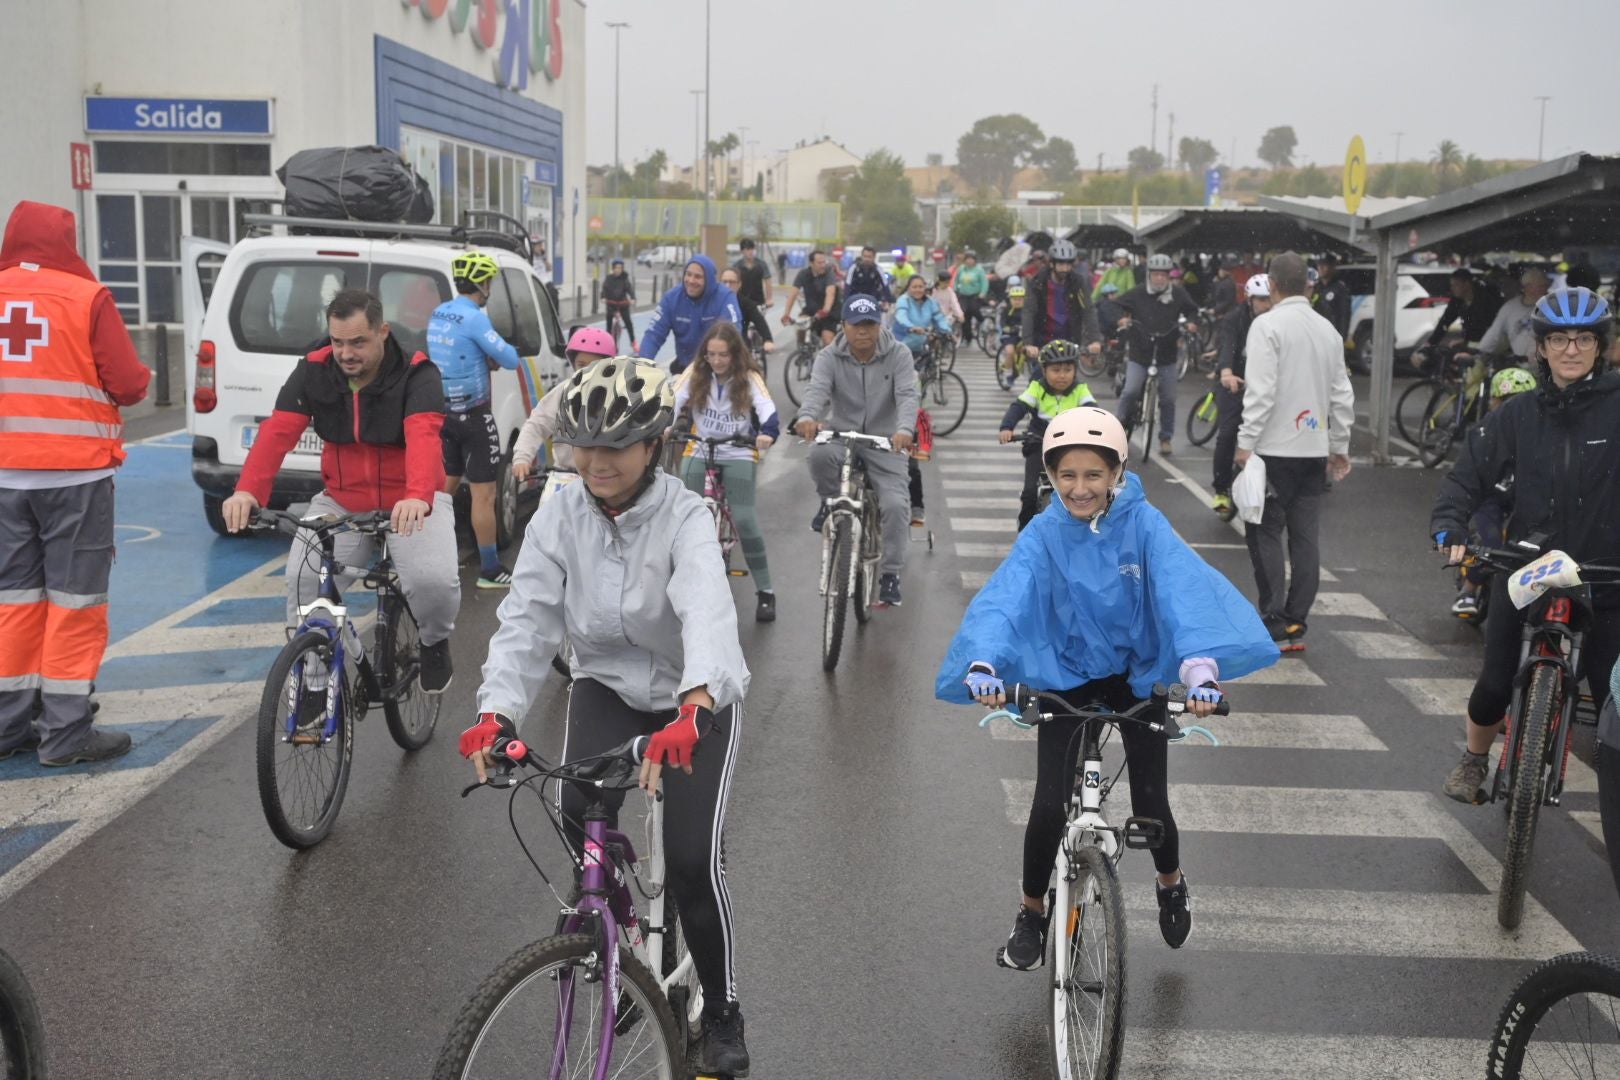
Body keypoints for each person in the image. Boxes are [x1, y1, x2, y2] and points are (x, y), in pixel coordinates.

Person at [461, 356, 753, 1076]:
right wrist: (496, 713)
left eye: (616, 447)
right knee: (576, 817)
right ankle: (614, 936)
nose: (596, 462)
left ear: (653, 446)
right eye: (583, 446)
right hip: (608, 685)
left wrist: (696, 706)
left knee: (692, 863)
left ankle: (722, 1008)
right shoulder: (558, 514)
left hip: (693, 698)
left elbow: (708, 612)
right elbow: (527, 620)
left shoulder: (686, 516)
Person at [936, 405, 1278, 969]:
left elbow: (1184, 594)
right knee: (1048, 805)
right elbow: (1006, 599)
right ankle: (1031, 912)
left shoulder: (1145, 525)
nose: (1079, 488)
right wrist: (983, 665)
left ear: (1118, 472)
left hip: (1137, 677)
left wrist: (1199, 674)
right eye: (1066, 475)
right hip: (1065, 678)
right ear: (1050, 475)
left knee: (1151, 802)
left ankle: (1171, 883)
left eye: (1094, 474)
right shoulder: (1044, 532)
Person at [1431, 288, 1620, 804]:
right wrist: (1449, 526)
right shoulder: (1516, 414)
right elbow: (1465, 478)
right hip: (1527, 569)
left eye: (1584, 339)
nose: (1571, 349)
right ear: (1540, 347)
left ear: (1601, 346)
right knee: (1494, 683)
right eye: (1559, 339)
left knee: (1611, 698)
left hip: (1604, 573)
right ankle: (1475, 759)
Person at [222, 289, 458, 694]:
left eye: (358, 342)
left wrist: (418, 496)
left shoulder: (417, 373)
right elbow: (277, 432)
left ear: (383, 332)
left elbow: (423, 438)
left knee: (433, 583)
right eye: (338, 342)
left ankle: (434, 642)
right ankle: (315, 686)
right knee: (303, 578)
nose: (346, 353)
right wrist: (247, 492)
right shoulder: (314, 370)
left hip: (411, 501)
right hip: (342, 500)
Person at [0, 200, 150, 766]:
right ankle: (65, 734)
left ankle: (7, 725)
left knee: (13, 602)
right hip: (75, 476)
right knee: (74, 603)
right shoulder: (86, 297)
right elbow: (129, 384)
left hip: (4, 478)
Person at [1235, 252, 1356, 653]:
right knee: (1305, 538)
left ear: (1271, 284)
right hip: (1313, 449)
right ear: (1308, 284)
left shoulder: (1266, 326)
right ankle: (1296, 621)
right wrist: (1339, 446)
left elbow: (1261, 391)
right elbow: (1342, 394)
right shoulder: (1328, 330)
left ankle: (1273, 618)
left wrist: (1245, 442)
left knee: (1265, 531)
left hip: (1273, 448)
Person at [792, 294, 919, 607]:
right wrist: (806, 417)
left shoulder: (899, 354)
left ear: (879, 325)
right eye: (856, 324)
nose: (863, 331)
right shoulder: (828, 356)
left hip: (885, 441)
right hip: (842, 434)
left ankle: (890, 573)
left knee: (895, 505)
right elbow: (817, 390)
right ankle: (828, 501)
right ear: (843, 326)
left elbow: (907, 395)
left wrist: (905, 430)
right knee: (818, 455)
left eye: (870, 324)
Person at [426, 251, 523, 588]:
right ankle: (490, 570)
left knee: (445, 488)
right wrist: (491, 354)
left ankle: (424, 554)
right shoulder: (475, 318)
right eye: (489, 282)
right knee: (484, 494)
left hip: (445, 414)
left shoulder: (439, 313)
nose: (490, 289)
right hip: (474, 416)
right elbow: (510, 359)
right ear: (481, 283)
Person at [674, 322, 780, 622]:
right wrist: (664, 425)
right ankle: (678, 585)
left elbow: (767, 409)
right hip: (700, 447)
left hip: (738, 450)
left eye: (723, 355)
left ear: (735, 354)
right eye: (711, 355)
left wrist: (768, 432)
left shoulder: (749, 377)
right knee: (683, 517)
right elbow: (672, 400)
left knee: (744, 519)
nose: (717, 361)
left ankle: (766, 591)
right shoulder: (695, 372)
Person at [1446, 365, 1536, 619]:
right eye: (1505, 401)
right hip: (1491, 499)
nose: (1512, 408)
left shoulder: (1539, 431)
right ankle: (1468, 590)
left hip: (1523, 500)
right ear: (1493, 402)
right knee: (1490, 543)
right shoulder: (1484, 433)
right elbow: (1467, 474)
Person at [998, 341, 1097, 530]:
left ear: (1075, 371)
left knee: (1085, 493)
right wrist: (1007, 427)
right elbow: (1019, 406)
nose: (1062, 375)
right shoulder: (1037, 388)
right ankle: (1026, 535)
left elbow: (1094, 412)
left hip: (1071, 446)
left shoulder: (1080, 389)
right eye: (1056, 370)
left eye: (1067, 370)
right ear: (1044, 370)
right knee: (1029, 493)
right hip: (1039, 442)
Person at [511, 325, 619, 488]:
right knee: (548, 506)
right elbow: (536, 424)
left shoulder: (619, 395)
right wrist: (522, 458)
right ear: (573, 364)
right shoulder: (563, 392)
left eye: (595, 365)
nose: (587, 371)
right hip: (564, 478)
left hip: (605, 479)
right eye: (581, 365)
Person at [1114, 254, 1200, 456]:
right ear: (1149, 275)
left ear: (1169, 276)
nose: (1159, 278)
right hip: (1140, 353)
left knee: (1169, 398)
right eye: (1156, 274)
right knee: (1130, 391)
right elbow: (1116, 306)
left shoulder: (1178, 294)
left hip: (1166, 353)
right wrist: (1122, 319)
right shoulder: (1137, 293)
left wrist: (1190, 323)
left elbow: (1193, 310)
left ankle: (1165, 437)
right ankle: (1117, 429)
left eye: (1163, 275)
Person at [1210, 274, 1273, 521]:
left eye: (1269, 299)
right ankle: (1221, 490)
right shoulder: (1235, 319)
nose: (1266, 304)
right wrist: (1226, 372)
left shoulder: (1278, 320)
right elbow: (1228, 346)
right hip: (1236, 383)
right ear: (1249, 299)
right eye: (1261, 300)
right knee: (1227, 435)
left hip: (1267, 386)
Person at [639, 255, 742, 376]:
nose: (691, 281)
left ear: (709, 279)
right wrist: (643, 365)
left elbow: (733, 333)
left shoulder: (725, 297)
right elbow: (653, 335)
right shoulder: (672, 298)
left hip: (716, 368)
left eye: (698, 277)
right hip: (685, 367)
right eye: (688, 274)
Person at [1020, 239, 1102, 376]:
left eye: (1068, 264)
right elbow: (1029, 311)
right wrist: (1028, 343)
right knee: (1038, 382)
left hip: (1069, 340)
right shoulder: (1038, 282)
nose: (1065, 268)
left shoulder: (1077, 282)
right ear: (1052, 264)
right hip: (1042, 341)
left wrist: (1094, 340)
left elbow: (1088, 310)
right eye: (1061, 264)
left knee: (1070, 382)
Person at [1474, 267, 1550, 366]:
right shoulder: (1510, 307)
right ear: (1525, 287)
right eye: (1534, 286)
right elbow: (1494, 333)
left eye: (1543, 286)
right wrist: (1480, 354)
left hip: (1546, 364)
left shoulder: (1554, 307)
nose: (1540, 290)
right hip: (1519, 364)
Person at [1425, 267, 1505, 353]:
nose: (1452, 288)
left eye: (1456, 285)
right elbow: (1445, 321)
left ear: (1467, 284)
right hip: (1472, 343)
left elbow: (1490, 327)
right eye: (1451, 285)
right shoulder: (1457, 301)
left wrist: (1467, 342)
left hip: (1490, 345)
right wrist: (1430, 343)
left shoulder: (1486, 300)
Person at [780, 249, 841, 346]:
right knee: (800, 329)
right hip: (811, 310)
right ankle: (802, 351)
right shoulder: (803, 274)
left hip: (828, 313)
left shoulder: (829, 273)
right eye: (819, 263)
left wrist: (825, 310)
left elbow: (830, 293)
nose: (823, 265)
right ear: (811, 263)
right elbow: (793, 294)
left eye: (824, 262)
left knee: (827, 340)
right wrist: (786, 314)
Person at [718, 266, 776, 356]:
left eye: (732, 282)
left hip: (739, 348)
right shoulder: (712, 302)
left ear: (739, 284)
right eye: (724, 282)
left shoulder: (746, 303)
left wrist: (768, 340)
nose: (727, 285)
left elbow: (759, 321)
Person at [893, 273, 953, 361]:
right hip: (902, 345)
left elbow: (939, 318)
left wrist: (947, 330)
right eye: (914, 287)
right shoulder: (903, 300)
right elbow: (901, 317)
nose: (918, 290)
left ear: (925, 288)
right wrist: (911, 327)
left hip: (920, 345)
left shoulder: (931, 302)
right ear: (908, 288)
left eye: (920, 287)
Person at [601, 257, 638, 351]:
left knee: (628, 323)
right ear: (613, 268)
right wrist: (603, 297)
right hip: (611, 304)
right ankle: (608, 344)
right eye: (616, 267)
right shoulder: (609, 278)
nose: (618, 270)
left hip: (623, 304)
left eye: (620, 268)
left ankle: (633, 342)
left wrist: (633, 298)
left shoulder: (624, 278)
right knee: (609, 324)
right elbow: (604, 289)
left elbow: (629, 289)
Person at [1314, 254, 1352, 342]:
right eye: (1319, 265)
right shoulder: (1315, 287)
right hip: (1316, 335)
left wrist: (1342, 338)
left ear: (1332, 267)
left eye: (1324, 265)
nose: (1321, 268)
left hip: (1332, 336)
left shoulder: (1340, 289)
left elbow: (1344, 315)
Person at [730, 237, 773, 310]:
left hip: (759, 302)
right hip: (742, 302)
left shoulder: (761, 264)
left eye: (752, 249)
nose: (750, 252)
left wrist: (769, 298)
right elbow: (732, 283)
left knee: (759, 317)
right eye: (747, 249)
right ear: (742, 251)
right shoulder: (737, 266)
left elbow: (768, 280)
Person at [955, 250, 988, 343]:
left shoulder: (979, 270)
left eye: (971, 259)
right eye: (967, 259)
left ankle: (982, 321)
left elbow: (984, 282)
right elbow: (956, 280)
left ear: (975, 260)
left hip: (975, 295)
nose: (969, 261)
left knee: (973, 309)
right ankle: (967, 336)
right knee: (963, 314)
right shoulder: (961, 269)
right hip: (963, 295)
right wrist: (955, 290)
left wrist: (982, 293)